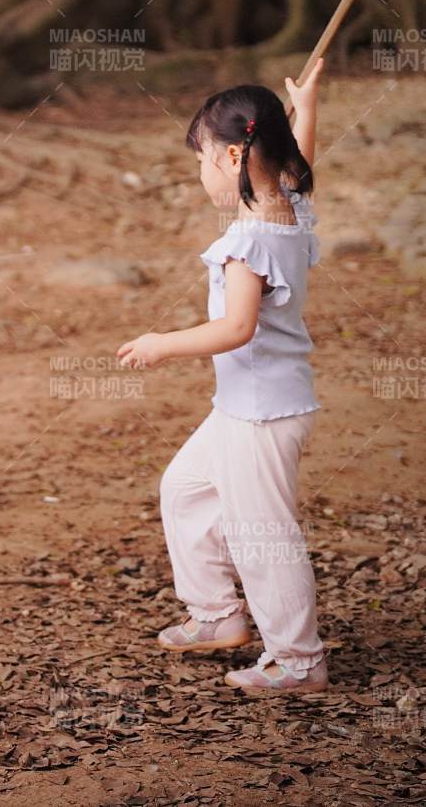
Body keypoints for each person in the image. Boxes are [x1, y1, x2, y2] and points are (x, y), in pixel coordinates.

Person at [118, 59, 329, 694]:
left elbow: (237, 328)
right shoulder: (286, 203)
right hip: (247, 404)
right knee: (184, 489)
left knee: (261, 534)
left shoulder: (251, 243)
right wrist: (309, 108)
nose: (200, 172)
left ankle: (298, 659)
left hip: (261, 412)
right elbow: (296, 161)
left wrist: (163, 344)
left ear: (236, 155)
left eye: (205, 158)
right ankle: (216, 615)